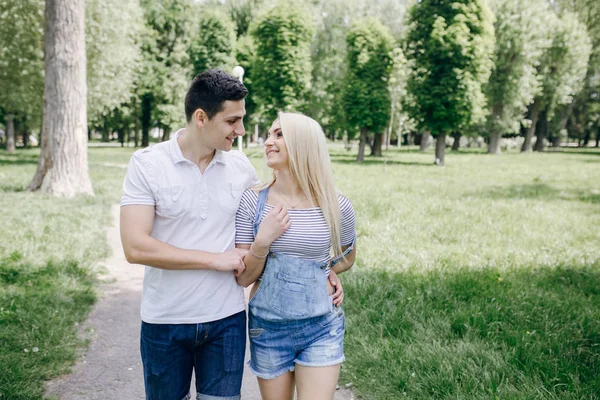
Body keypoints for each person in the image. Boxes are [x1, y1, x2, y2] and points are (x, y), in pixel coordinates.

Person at [119, 69, 258, 400]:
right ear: (201, 117)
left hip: (226, 322)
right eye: (232, 121)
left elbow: (273, 228)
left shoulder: (241, 169)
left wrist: (328, 269)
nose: (241, 130)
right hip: (165, 321)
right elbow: (135, 247)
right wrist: (213, 260)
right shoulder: (147, 164)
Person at [235, 112, 357, 400]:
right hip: (269, 328)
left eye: (279, 134)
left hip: (321, 327)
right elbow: (243, 277)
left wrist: (326, 270)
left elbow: (347, 257)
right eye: (269, 134)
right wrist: (262, 241)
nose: (267, 141)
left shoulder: (336, 205)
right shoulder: (253, 201)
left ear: (303, 144)